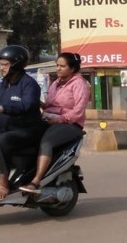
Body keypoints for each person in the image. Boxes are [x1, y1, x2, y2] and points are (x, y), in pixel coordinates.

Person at [0, 45, 45, 201]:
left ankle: (3, 184)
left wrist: (0, 108)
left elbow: (26, 105)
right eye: (1, 65)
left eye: (5, 65)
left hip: (28, 131)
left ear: (15, 65)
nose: (2, 68)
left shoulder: (29, 84)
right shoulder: (3, 84)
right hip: (7, 129)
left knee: (2, 140)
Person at [19, 52, 91, 195]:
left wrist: (59, 119)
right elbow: (50, 106)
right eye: (57, 65)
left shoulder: (79, 84)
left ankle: (36, 181)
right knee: (23, 136)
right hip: (49, 120)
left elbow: (78, 112)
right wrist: (36, 102)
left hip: (70, 124)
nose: (58, 69)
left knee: (47, 143)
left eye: (62, 66)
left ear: (72, 68)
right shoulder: (55, 83)